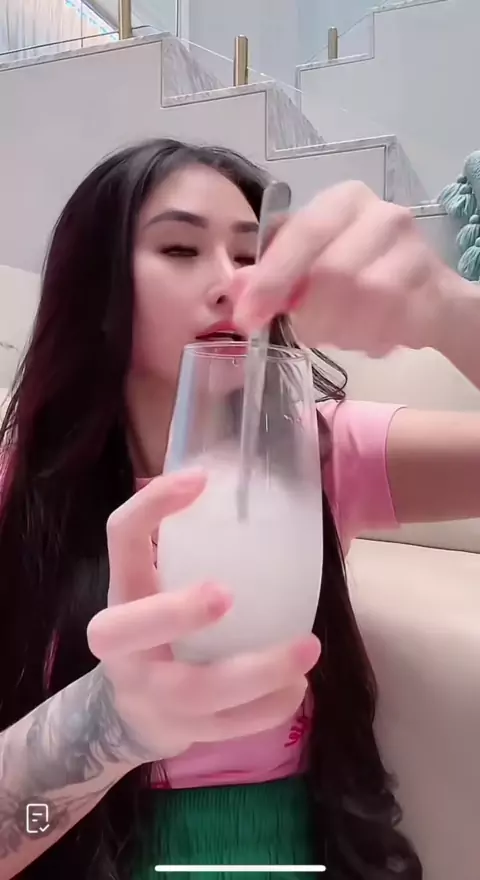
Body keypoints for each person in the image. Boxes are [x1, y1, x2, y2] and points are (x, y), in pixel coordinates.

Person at [0, 139, 479, 880]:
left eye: (251, 255)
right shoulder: (23, 493)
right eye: (181, 249)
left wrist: (452, 315)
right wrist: (108, 722)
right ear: (97, 290)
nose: (231, 282)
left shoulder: (320, 453)